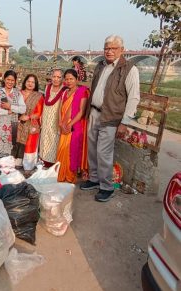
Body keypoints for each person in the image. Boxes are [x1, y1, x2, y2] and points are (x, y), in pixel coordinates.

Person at [80, 35, 140, 202]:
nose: (109, 51)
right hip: (94, 113)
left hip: (111, 117)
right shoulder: (101, 66)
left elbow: (134, 97)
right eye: (107, 48)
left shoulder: (129, 69)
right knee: (92, 149)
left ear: (122, 50)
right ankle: (93, 179)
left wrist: (125, 122)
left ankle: (106, 186)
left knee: (103, 152)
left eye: (113, 48)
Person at [56, 69, 89, 183]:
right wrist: (60, 123)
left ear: (77, 79)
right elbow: (60, 109)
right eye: (67, 79)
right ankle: (61, 173)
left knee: (71, 151)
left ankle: (70, 175)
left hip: (74, 126)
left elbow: (81, 112)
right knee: (61, 149)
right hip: (64, 125)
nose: (69, 81)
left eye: (71, 79)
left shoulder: (82, 91)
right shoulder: (64, 92)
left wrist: (69, 124)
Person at [0, 70, 26, 160]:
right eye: (8, 79)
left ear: (15, 81)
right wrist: (7, 112)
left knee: (10, 150)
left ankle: (8, 170)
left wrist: (11, 106)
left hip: (12, 124)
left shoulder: (18, 93)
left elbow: (23, 109)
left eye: (12, 80)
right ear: (4, 79)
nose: (10, 82)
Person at [12, 74, 44, 171]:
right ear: (25, 82)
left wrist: (28, 117)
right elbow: (12, 107)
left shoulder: (38, 96)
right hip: (17, 122)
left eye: (33, 82)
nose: (30, 84)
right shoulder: (17, 93)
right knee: (15, 141)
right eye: (28, 81)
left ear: (35, 84)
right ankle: (16, 162)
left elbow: (39, 113)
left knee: (30, 144)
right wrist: (19, 116)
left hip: (31, 124)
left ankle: (28, 166)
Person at [39, 69, 66, 168]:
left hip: (55, 117)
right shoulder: (47, 87)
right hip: (46, 116)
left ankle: (52, 163)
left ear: (62, 78)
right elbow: (45, 101)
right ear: (51, 77)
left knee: (54, 138)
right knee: (44, 136)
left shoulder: (64, 89)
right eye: (54, 76)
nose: (56, 79)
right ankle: (42, 160)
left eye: (59, 77)